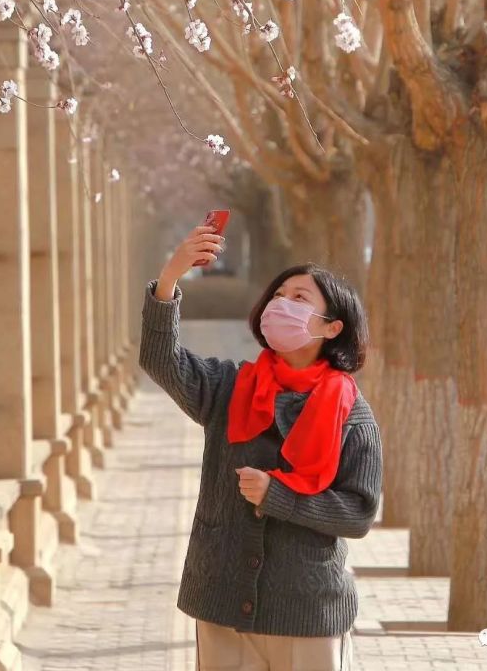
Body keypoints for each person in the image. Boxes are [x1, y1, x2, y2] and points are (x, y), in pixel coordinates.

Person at [139, 223, 383, 671]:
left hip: (307, 612)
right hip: (221, 601)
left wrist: (279, 498)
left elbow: (358, 513)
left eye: (299, 298)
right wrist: (172, 276)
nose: (281, 304)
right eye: (278, 295)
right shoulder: (230, 387)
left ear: (331, 327)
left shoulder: (352, 414)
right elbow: (162, 360)